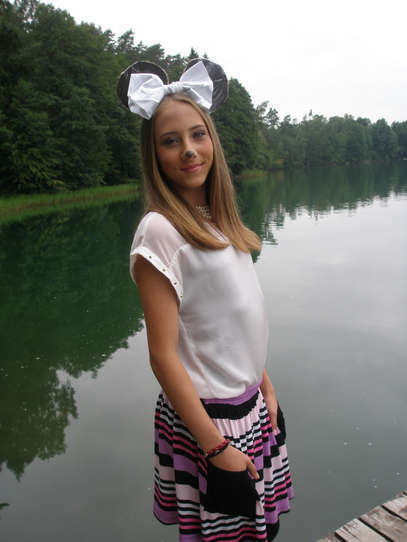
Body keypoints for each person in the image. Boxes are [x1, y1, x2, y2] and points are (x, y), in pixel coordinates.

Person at [118, 59, 293, 541]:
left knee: (264, 530)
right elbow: (162, 355)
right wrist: (215, 448)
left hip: (251, 404)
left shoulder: (219, 219)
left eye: (198, 135)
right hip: (212, 420)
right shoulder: (160, 231)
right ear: (154, 154)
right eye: (171, 141)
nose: (189, 150)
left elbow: (233, 324)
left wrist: (264, 385)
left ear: (213, 139)